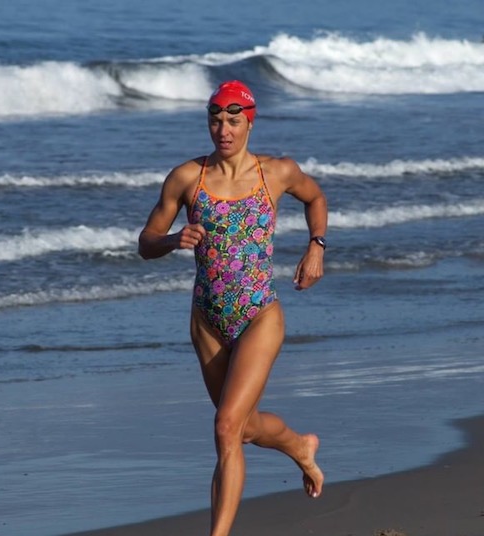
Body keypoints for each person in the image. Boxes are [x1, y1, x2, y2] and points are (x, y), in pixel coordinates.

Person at [138, 80, 328, 536]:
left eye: (232, 119)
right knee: (239, 429)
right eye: (215, 118)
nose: (222, 128)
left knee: (225, 426)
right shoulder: (187, 178)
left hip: (260, 312)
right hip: (207, 320)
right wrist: (171, 241)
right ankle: (300, 446)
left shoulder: (276, 172)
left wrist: (316, 246)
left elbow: (315, 197)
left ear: (249, 121)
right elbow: (146, 242)